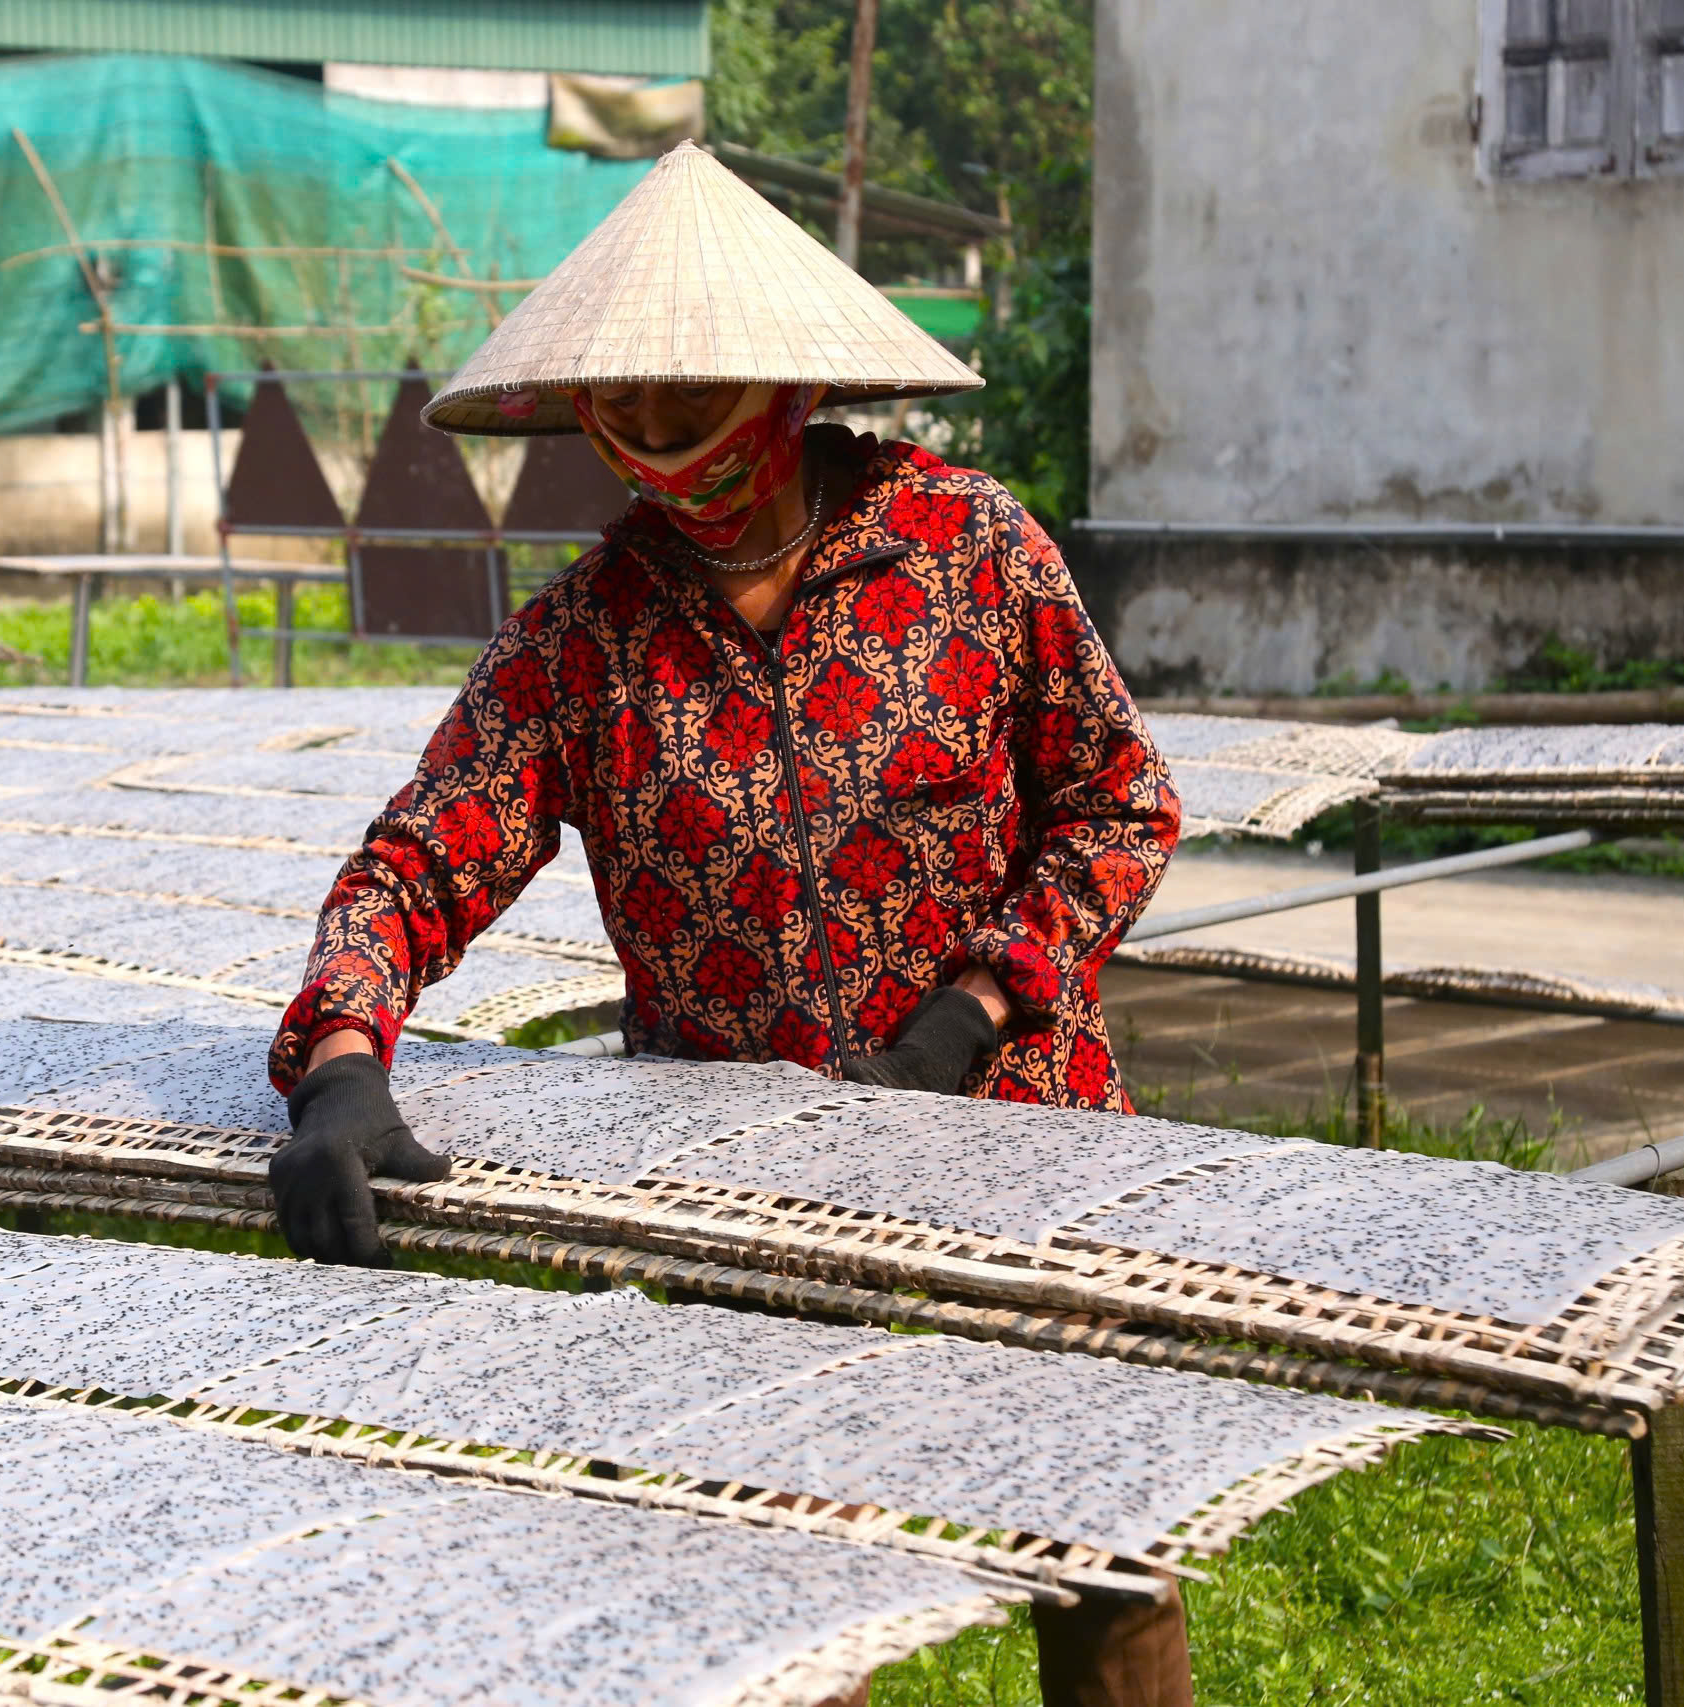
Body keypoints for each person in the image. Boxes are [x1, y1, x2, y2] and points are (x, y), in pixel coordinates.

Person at [265, 143, 1188, 1705]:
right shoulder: (585, 642)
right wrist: (343, 1058)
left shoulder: (967, 552)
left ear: (779, 389)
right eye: (625, 424)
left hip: (1021, 1144)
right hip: (736, 1191)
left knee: (1094, 1552)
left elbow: (1120, 803)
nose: (662, 457)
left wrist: (975, 1008)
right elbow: (422, 858)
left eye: (694, 417)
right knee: (766, 1593)